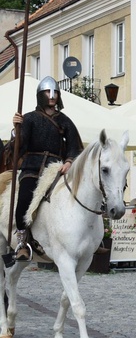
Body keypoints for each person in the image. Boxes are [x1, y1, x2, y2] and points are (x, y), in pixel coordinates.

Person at [9, 76, 83, 263]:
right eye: (48, 93)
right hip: (33, 167)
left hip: (57, 168)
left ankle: (86, 237)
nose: (52, 96)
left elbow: (75, 146)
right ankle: (23, 242)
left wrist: (69, 161)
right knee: (25, 199)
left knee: (77, 195)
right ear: (41, 95)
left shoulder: (64, 120)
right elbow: (19, 147)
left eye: (55, 92)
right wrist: (17, 128)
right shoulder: (30, 118)